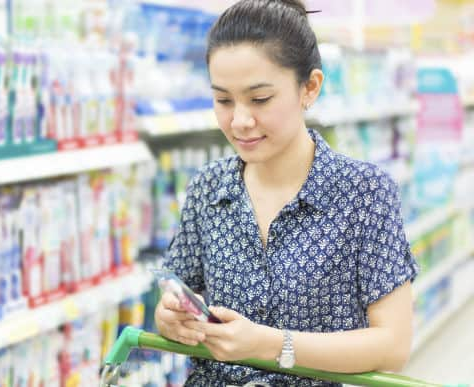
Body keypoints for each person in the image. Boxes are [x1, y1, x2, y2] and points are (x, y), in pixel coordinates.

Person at [154, 1, 419, 386]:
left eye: (260, 99)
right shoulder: (207, 188)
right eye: (223, 100)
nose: (240, 121)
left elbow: (393, 346)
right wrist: (170, 319)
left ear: (309, 87)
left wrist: (269, 344)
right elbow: (177, 297)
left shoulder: (363, 192)